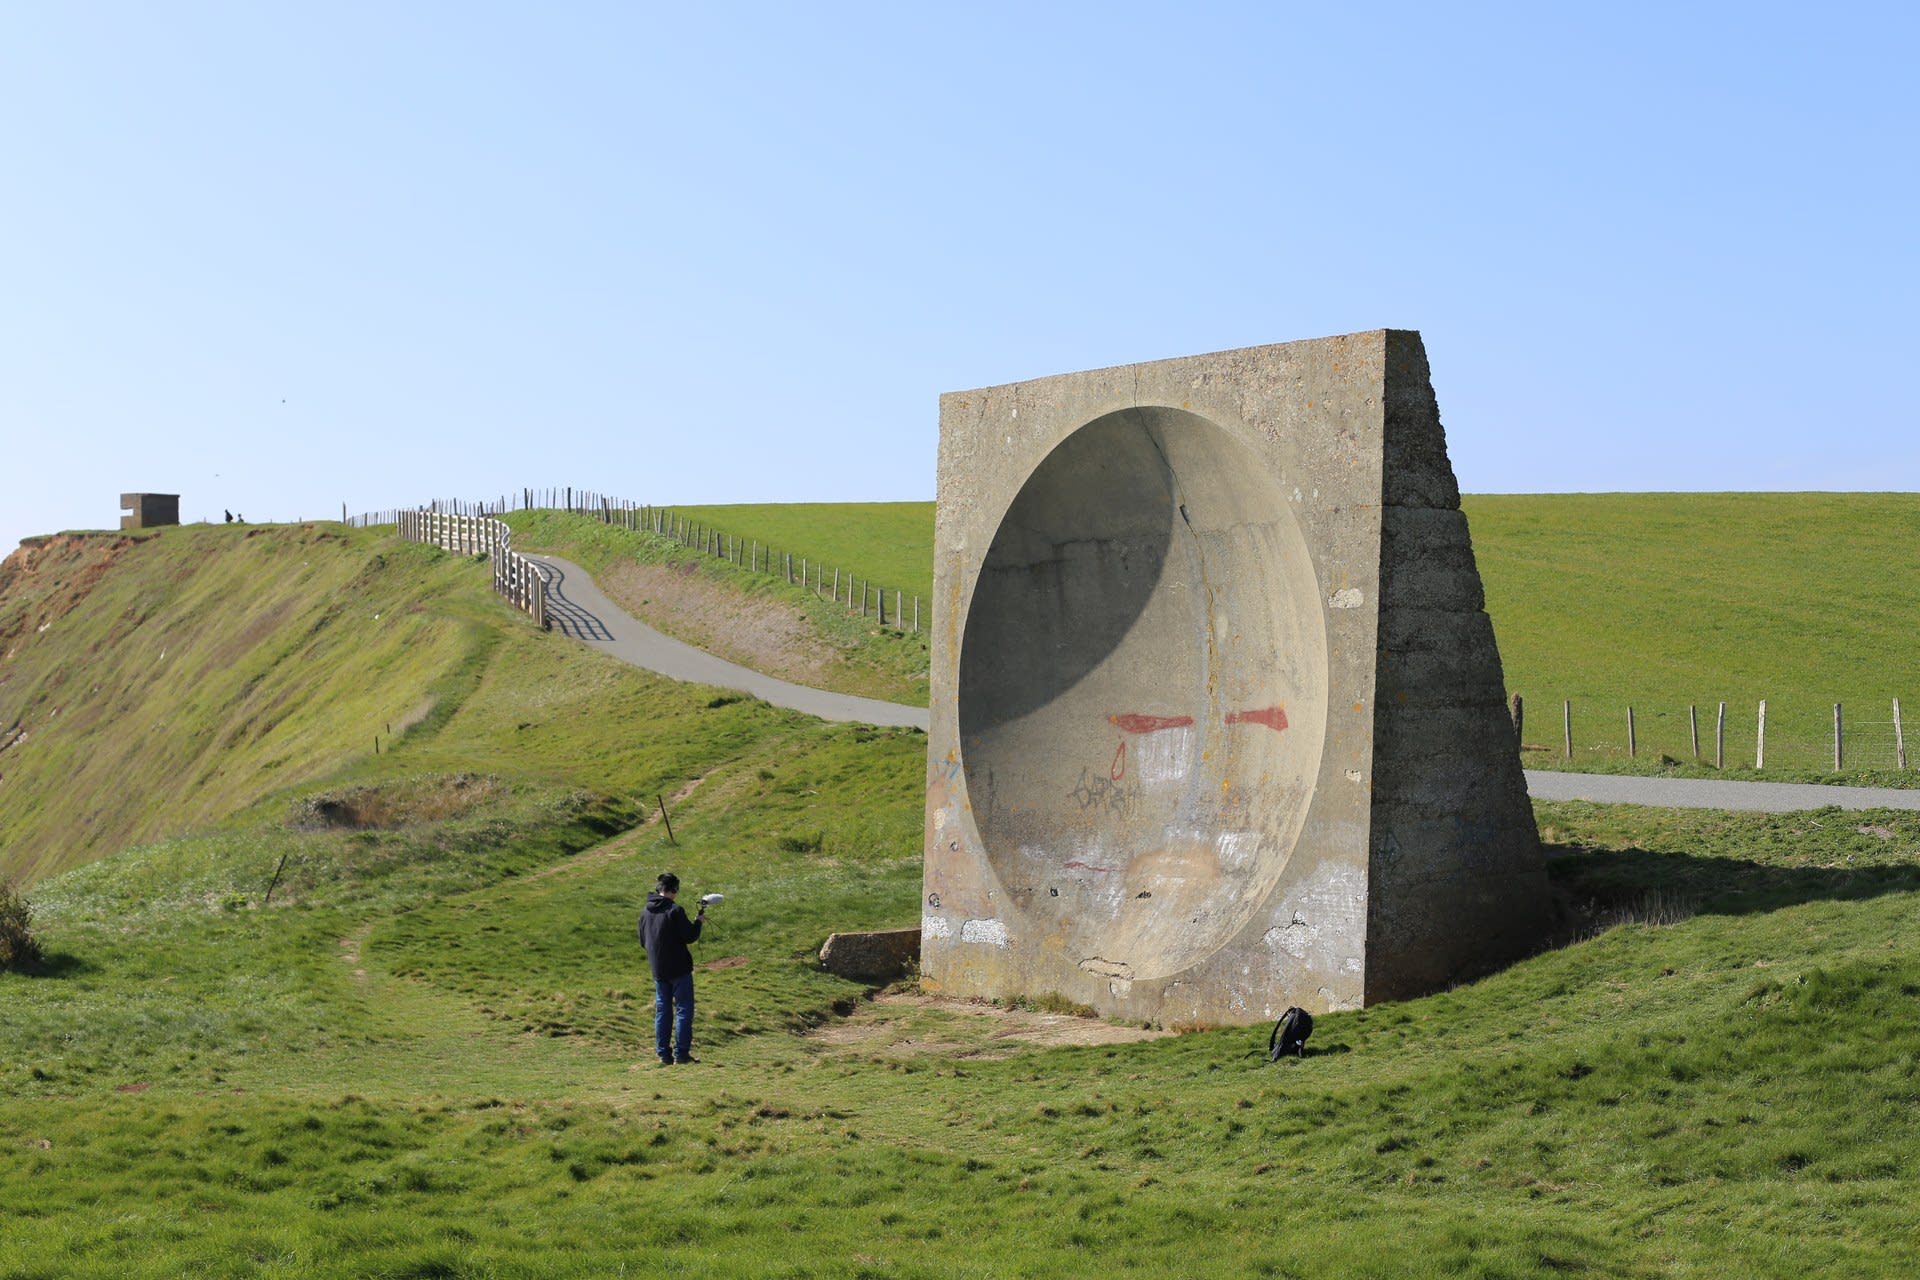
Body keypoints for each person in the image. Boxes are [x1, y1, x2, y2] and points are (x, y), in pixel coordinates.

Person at [637, 872, 704, 1065]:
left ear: (658, 889)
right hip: (679, 969)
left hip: (658, 969)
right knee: (683, 1009)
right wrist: (698, 922)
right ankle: (682, 1054)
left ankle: (663, 1054)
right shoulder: (675, 910)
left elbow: (643, 941)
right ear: (674, 890)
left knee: (663, 1011)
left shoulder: (645, 912)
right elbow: (689, 936)